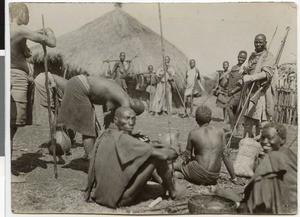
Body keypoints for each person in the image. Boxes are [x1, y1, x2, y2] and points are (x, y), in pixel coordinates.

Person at [85, 107, 178, 208]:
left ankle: (164, 187)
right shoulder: (124, 139)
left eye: (133, 118)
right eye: (127, 118)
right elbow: (165, 155)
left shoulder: (104, 134)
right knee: (156, 158)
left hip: (98, 195)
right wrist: (173, 151)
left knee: (146, 154)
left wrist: (88, 191)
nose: (131, 122)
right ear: (116, 120)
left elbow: (92, 164)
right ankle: (173, 192)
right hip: (119, 200)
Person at [10, 2, 56, 182]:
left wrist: (35, 32)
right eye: (27, 14)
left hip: (13, 77)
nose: (28, 18)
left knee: (8, 125)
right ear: (20, 13)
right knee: (10, 125)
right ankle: (6, 171)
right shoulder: (18, 29)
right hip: (15, 79)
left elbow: (25, 47)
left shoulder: (12, 31)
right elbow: (51, 42)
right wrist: (49, 30)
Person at [209, 123, 297, 214]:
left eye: (270, 138)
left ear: (283, 140)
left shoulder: (269, 160)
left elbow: (252, 206)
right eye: (263, 137)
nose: (265, 141)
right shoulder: (289, 155)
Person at [57, 75, 144, 160]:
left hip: (79, 83)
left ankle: (94, 157)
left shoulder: (119, 97)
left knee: (92, 126)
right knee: (88, 130)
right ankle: (93, 163)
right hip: (80, 86)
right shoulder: (125, 100)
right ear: (134, 110)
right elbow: (125, 125)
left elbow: (108, 118)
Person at [174, 106, 240, 185]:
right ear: (210, 119)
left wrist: (181, 155)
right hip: (213, 177)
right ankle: (182, 174)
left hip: (198, 172)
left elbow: (187, 157)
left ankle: (174, 170)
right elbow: (226, 156)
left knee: (179, 167)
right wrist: (234, 178)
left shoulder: (193, 133)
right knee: (189, 168)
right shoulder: (221, 132)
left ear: (196, 120)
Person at [238, 34, 276, 138]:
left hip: (261, 92)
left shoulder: (269, 56)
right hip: (249, 92)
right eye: (256, 42)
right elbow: (251, 69)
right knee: (247, 121)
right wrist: (245, 72)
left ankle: (260, 147)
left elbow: (266, 74)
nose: (258, 44)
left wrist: (250, 78)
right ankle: (246, 144)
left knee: (261, 123)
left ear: (265, 43)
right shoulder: (252, 56)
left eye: (260, 42)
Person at [225, 51, 247, 135]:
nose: (241, 59)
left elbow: (242, 82)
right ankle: (234, 129)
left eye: (243, 58)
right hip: (231, 92)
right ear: (237, 56)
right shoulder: (234, 67)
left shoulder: (244, 69)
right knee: (233, 111)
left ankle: (234, 128)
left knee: (229, 107)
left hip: (238, 92)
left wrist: (233, 91)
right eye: (240, 57)